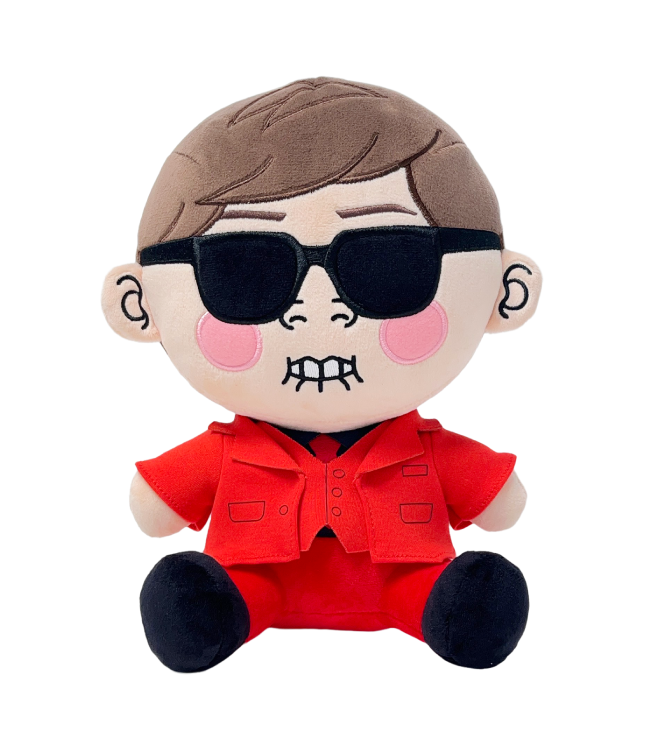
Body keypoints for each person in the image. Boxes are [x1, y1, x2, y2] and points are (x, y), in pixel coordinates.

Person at [102, 77, 543, 672]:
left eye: (387, 263)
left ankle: (447, 614)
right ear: (138, 304)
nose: (319, 309)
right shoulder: (227, 452)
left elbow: (503, 507)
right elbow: (152, 510)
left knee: (452, 601)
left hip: (408, 583)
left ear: (505, 292)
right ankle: (219, 615)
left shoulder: (425, 449)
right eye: (245, 271)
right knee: (208, 604)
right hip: (254, 583)